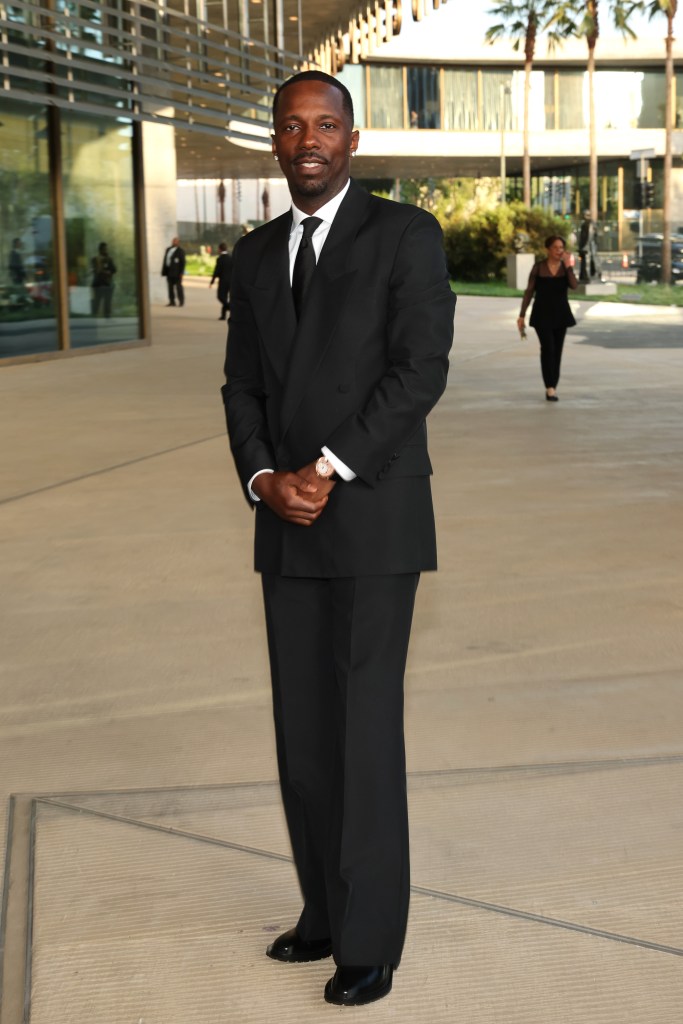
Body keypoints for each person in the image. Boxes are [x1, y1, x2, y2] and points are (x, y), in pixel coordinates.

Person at [221, 70, 455, 1008]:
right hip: (284, 520)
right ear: (276, 145)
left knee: (362, 736)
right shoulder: (253, 253)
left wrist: (325, 467)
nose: (307, 138)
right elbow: (241, 388)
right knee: (303, 736)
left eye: (325, 124)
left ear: (351, 141)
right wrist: (262, 479)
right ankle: (321, 911)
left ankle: (368, 940)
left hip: (371, 516)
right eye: (291, 126)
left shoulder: (404, 235)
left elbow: (418, 371)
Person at [517, 235, 578, 402]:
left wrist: (569, 266)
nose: (559, 251)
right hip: (542, 315)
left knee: (557, 351)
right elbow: (529, 292)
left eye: (561, 248)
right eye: (556, 248)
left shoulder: (565, 269)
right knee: (548, 348)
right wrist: (522, 314)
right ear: (547, 249)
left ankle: (553, 386)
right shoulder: (538, 268)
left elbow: (574, 285)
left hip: (561, 315)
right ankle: (549, 386)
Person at [91, 242, 117, 317]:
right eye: (104, 249)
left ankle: (107, 317)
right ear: (100, 250)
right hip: (98, 285)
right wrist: (104, 271)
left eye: (106, 249)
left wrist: (108, 272)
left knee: (107, 303)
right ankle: (94, 317)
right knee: (97, 302)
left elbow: (114, 270)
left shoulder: (109, 259)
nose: (106, 251)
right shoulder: (95, 259)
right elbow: (96, 271)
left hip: (107, 284)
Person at [209, 241, 233, 320]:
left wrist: (212, 281)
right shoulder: (231, 258)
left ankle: (230, 308)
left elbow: (217, 271)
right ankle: (223, 315)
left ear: (219, 249)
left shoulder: (220, 259)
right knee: (225, 297)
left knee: (220, 297)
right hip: (231, 281)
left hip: (223, 281)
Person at [161, 236, 185, 307]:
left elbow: (183, 263)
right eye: (173, 241)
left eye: (176, 241)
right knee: (170, 287)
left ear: (178, 242)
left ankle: (181, 301)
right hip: (169, 272)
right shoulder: (168, 249)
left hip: (177, 273)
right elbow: (165, 260)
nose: (174, 242)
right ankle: (172, 301)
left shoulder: (180, 251)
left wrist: (181, 273)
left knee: (178, 287)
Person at [578, 210, 601, 282]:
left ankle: (590, 276)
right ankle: (586, 276)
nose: (586, 217)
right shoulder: (587, 224)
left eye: (587, 215)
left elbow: (589, 236)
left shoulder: (589, 224)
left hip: (589, 247)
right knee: (588, 262)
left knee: (590, 261)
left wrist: (584, 246)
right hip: (589, 247)